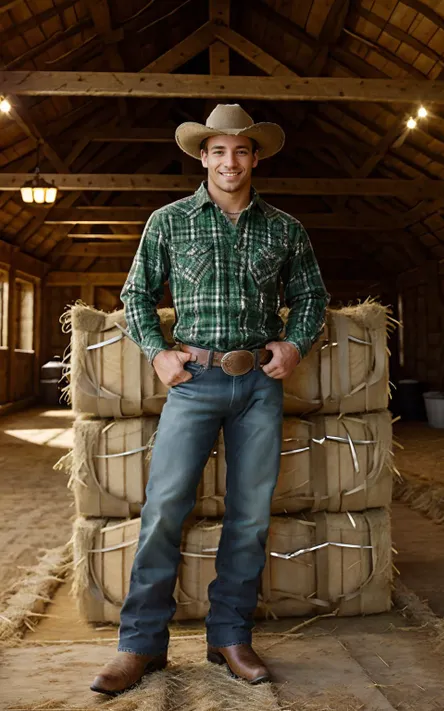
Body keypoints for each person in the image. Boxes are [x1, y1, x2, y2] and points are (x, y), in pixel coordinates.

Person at [91, 104, 330, 696]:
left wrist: (295, 346)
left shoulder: (284, 228)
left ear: (256, 158)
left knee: (249, 518)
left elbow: (311, 297)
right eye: (218, 151)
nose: (230, 161)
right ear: (203, 157)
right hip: (194, 381)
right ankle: (139, 644)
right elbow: (136, 295)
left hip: (258, 386)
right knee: (165, 508)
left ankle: (230, 637)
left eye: (241, 150)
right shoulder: (169, 222)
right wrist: (157, 353)